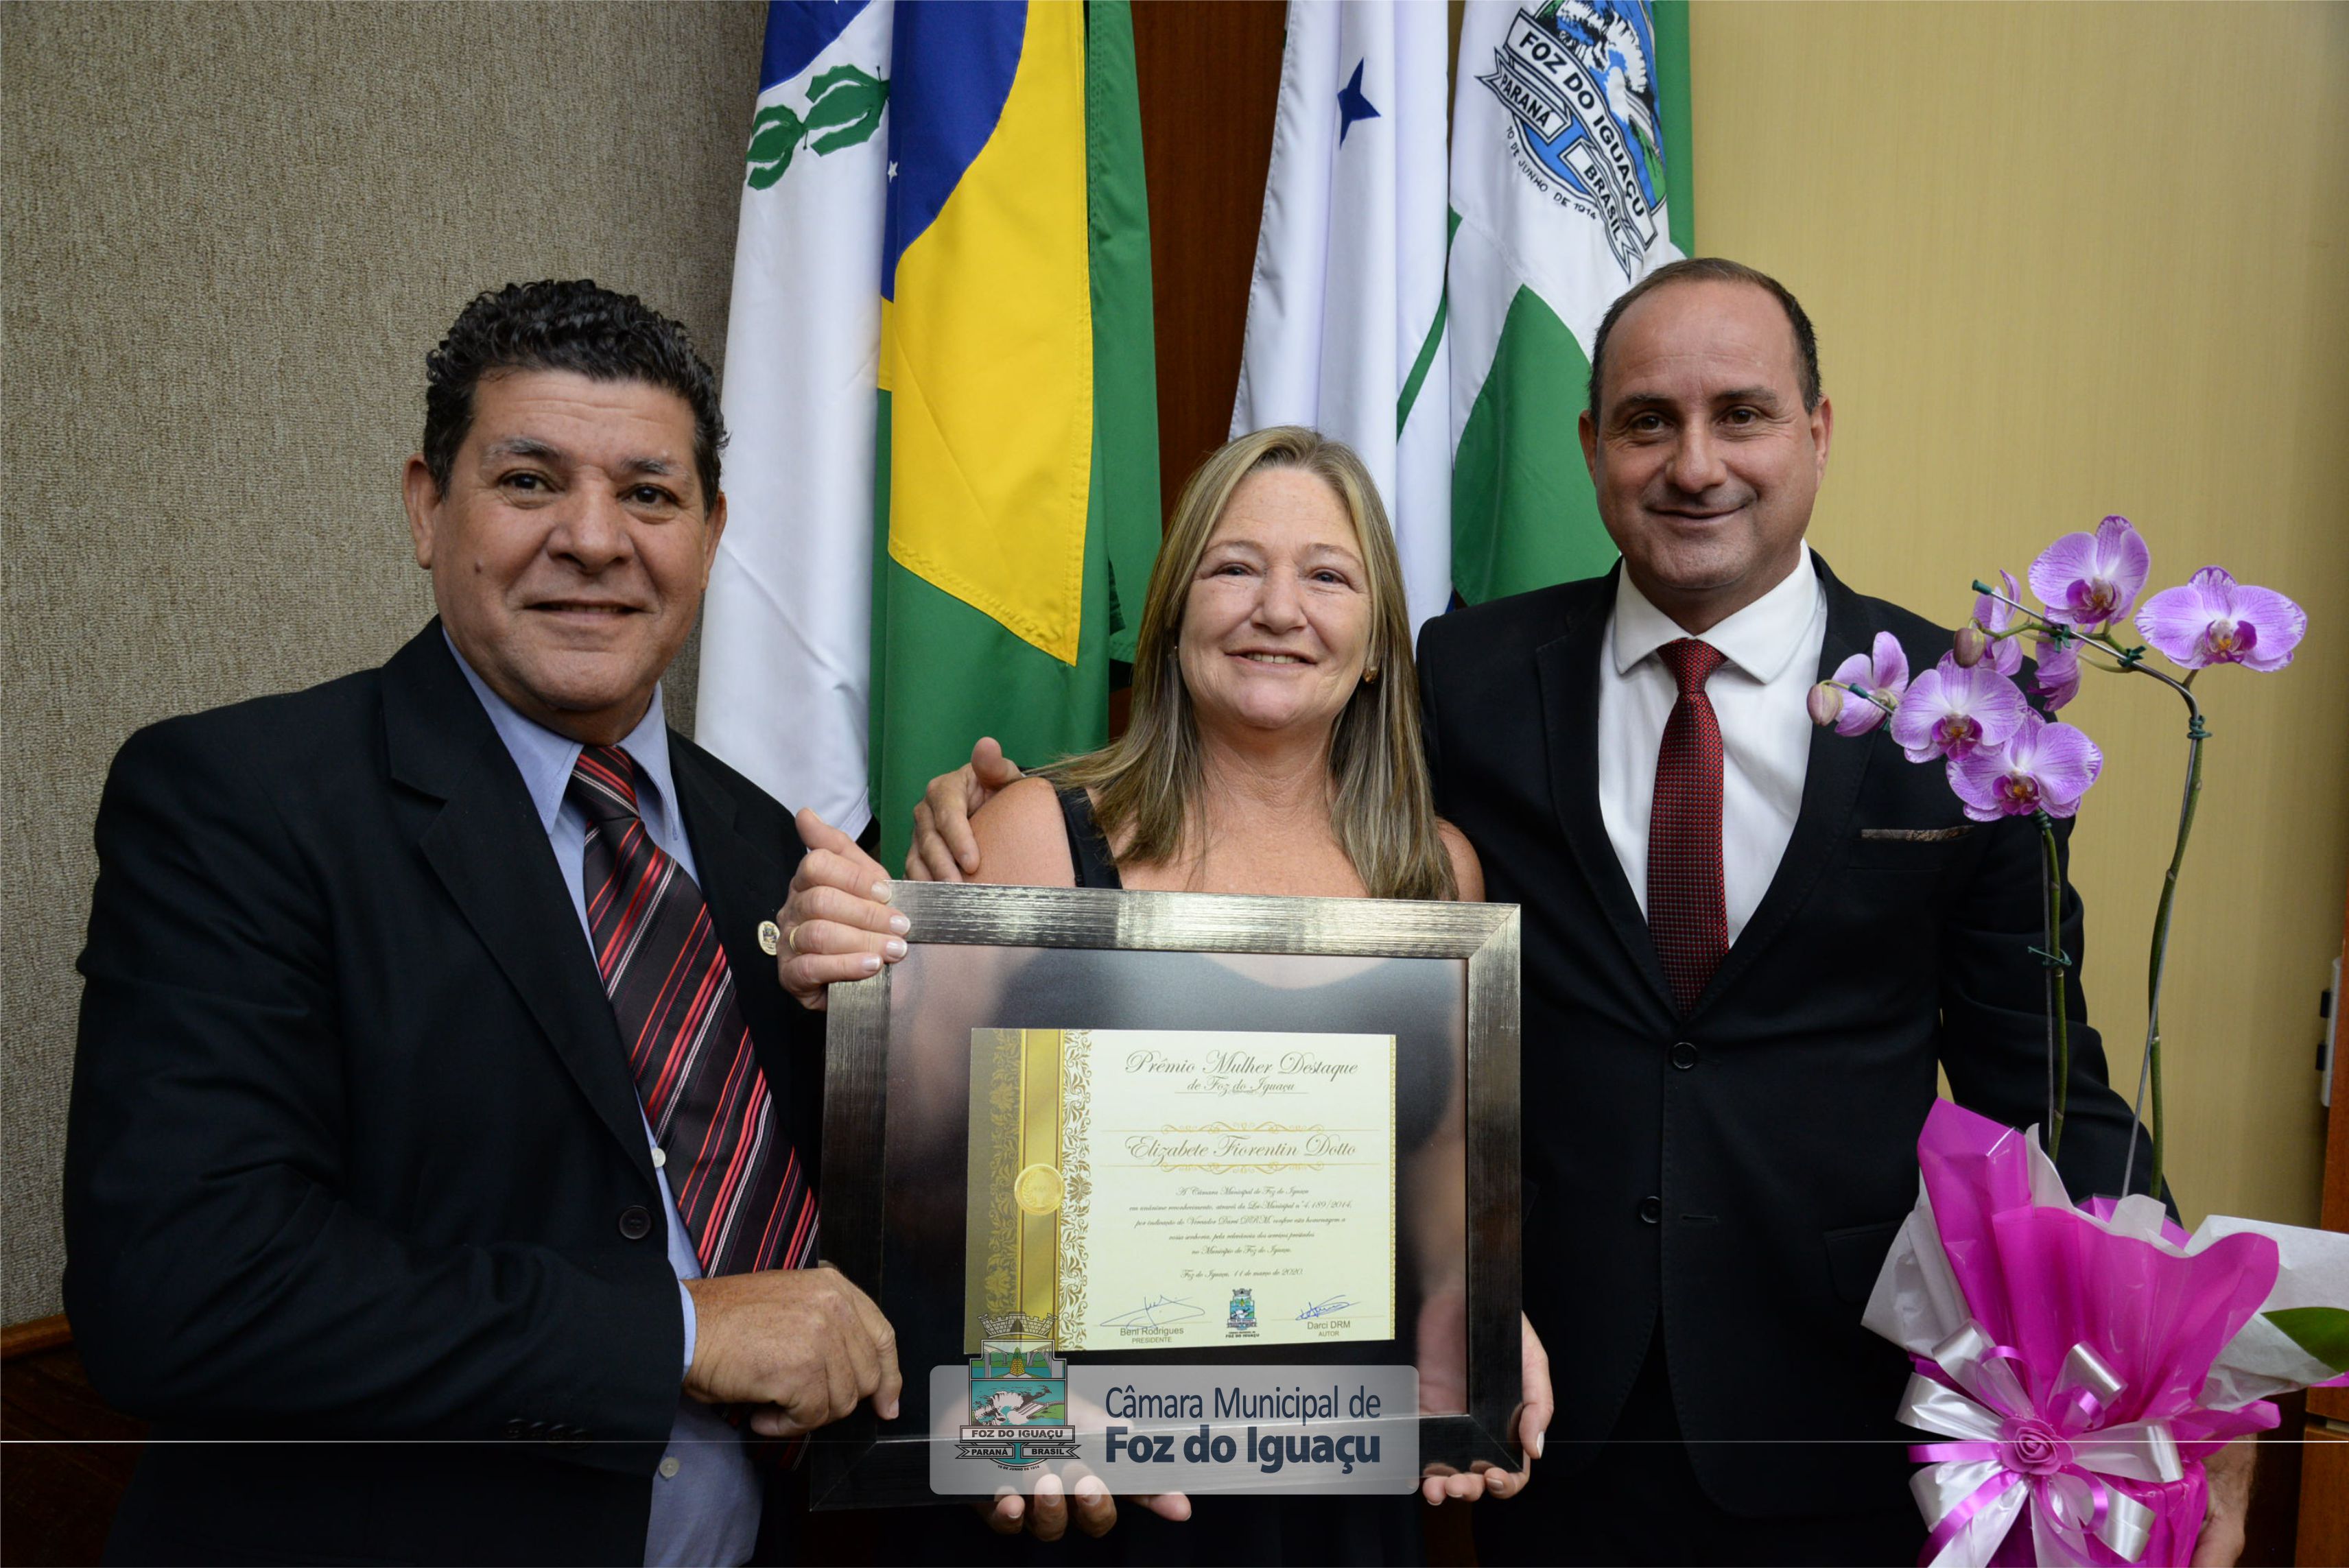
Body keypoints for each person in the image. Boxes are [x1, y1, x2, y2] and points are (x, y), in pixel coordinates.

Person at [801, 260, 2253, 1566]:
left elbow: (2045, 1091)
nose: (1694, 463)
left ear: (1817, 431)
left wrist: (2190, 1374)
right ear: (1590, 445)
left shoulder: (1962, 721)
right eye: (1646, 422)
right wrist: (964, 842)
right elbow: (1244, 831)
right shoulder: (1471, 680)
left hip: (1833, 1414)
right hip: (1547, 1429)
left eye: (1742, 415)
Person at [62, 279, 915, 1567]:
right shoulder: (239, 803)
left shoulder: (781, 855)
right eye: (529, 481)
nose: (594, 539)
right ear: (426, 506)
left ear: (711, 532)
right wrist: (681, 1333)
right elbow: (179, 1289)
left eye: (650, 494)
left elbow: (859, 1256)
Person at [777, 427, 1553, 1559]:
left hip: (1334, 1477)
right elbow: (919, 1187)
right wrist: (1007, 1419)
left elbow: (1438, 1177)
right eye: (1234, 566)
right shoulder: (1034, 838)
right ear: (1174, 615)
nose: (1278, 608)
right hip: (1080, 1475)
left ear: (1379, 645)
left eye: (1327, 575)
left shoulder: (1437, 876)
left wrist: (1482, 1322)